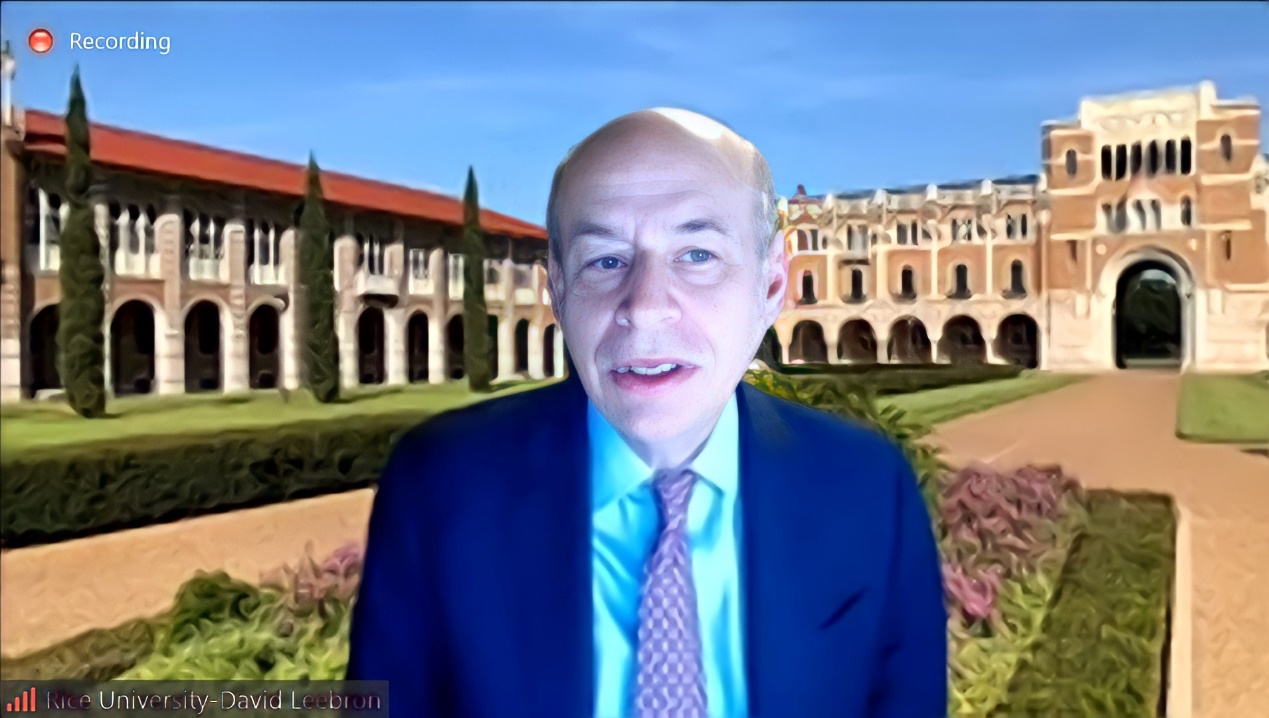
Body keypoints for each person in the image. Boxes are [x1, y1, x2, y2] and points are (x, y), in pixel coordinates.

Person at [345, 108, 947, 718]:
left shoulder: (870, 486)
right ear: (557, 291)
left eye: (697, 254)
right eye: (606, 261)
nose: (646, 307)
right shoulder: (438, 485)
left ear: (770, 287)